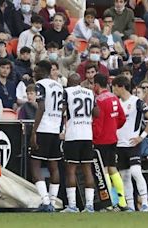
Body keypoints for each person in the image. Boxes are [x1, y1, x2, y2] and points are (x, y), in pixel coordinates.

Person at [112, 75, 148, 212]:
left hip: (133, 144)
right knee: (124, 176)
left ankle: (144, 203)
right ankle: (130, 205)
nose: (113, 89)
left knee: (136, 172)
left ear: (121, 87)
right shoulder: (115, 102)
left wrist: (141, 137)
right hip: (119, 145)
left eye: (114, 87)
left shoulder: (136, 101)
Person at [29, 60, 63, 212]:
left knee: (35, 165)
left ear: (42, 71)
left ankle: (45, 201)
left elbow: (41, 107)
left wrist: (34, 131)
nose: (34, 73)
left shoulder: (40, 84)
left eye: (36, 71)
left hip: (43, 128)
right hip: (55, 129)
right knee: (53, 166)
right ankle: (53, 201)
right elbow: (62, 108)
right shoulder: (58, 85)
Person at [60, 73, 97, 213]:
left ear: (69, 83)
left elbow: (62, 110)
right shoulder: (89, 92)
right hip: (87, 134)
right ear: (80, 82)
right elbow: (97, 113)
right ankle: (89, 205)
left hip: (73, 134)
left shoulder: (67, 92)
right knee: (87, 169)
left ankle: (72, 205)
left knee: (71, 169)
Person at [92, 73, 129, 211]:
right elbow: (122, 118)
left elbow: (98, 123)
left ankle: (109, 203)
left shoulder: (99, 100)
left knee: (104, 170)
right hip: (113, 138)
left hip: (101, 140)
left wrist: (94, 138)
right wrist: (113, 127)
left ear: (96, 85)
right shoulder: (114, 97)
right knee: (113, 168)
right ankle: (122, 202)